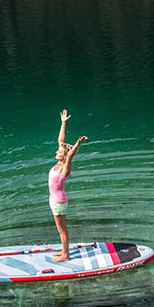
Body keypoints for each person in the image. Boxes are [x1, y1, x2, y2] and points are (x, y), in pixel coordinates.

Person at [49, 109, 88, 262]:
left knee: (62, 229)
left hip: (59, 202)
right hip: (53, 200)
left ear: (65, 155)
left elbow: (70, 155)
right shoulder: (59, 162)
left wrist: (77, 145)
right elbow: (61, 140)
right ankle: (63, 251)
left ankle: (66, 255)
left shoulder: (65, 168)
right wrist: (63, 123)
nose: (57, 150)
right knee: (60, 229)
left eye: (60, 151)